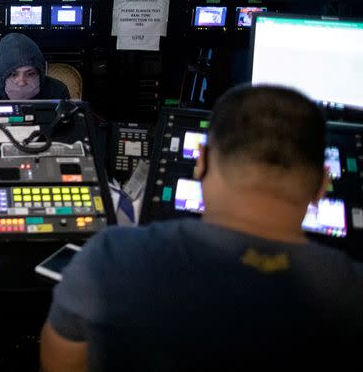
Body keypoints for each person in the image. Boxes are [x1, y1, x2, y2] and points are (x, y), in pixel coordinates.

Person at [40, 85, 363, 372]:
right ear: (322, 185)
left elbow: (60, 363)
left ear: (202, 161)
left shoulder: (107, 259)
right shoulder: (350, 294)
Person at [0, 33, 70, 102]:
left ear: (40, 73)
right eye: (13, 74)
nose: (21, 82)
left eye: (30, 74)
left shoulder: (57, 92)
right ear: (1, 75)